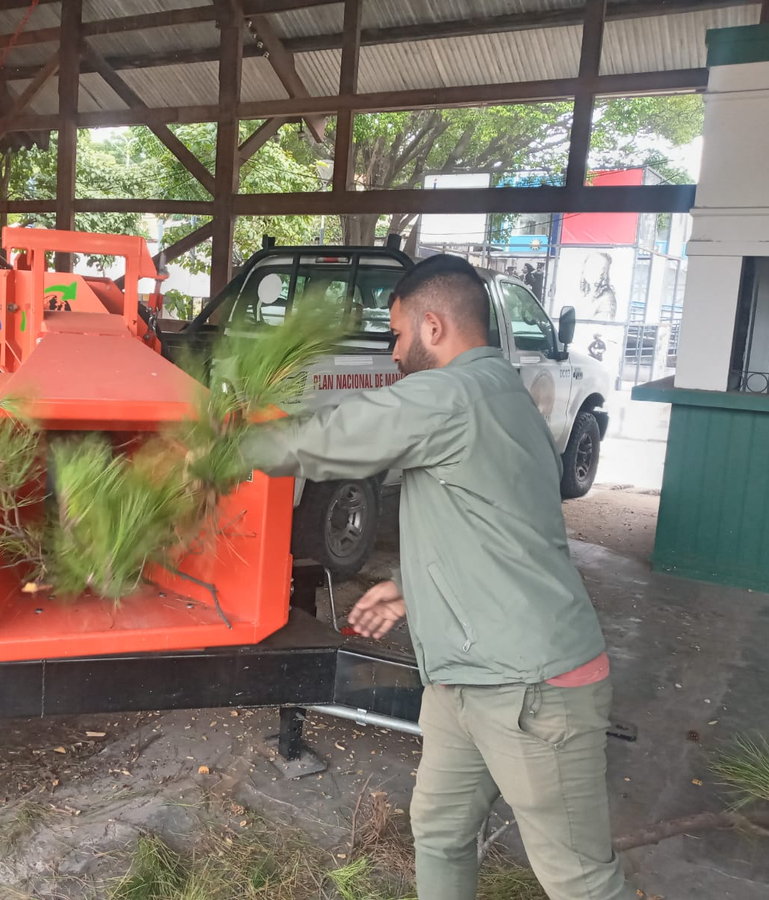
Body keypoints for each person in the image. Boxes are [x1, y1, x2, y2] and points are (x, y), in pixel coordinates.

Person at [245, 254, 631, 900]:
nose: (394, 354)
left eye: (395, 336)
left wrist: (205, 447)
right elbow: (501, 522)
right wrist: (409, 583)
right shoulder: (505, 396)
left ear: (431, 325)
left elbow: (331, 436)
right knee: (440, 832)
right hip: (463, 681)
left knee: (581, 879)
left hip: (531, 687)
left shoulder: (454, 393)